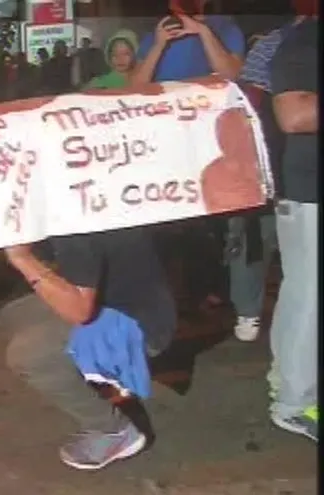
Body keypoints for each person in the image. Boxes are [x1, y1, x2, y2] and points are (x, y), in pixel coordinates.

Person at [2, 226, 176, 469]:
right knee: (15, 315)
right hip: (121, 304)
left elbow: (79, 312)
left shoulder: (76, 224)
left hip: (138, 327)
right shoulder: (73, 213)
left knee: (29, 356)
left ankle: (114, 432)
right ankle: (98, 377)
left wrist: (22, 258)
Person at [129, 0, 245, 312]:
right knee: (167, 222)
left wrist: (203, 32)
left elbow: (232, 74)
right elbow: (135, 88)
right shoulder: (157, 34)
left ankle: (209, 289)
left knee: (210, 221)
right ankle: (167, 296)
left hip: (210, 145)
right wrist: (159, 45)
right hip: (166, 144)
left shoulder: (226, 29)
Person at [226, 16, 306, 342]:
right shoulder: (273, 44)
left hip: (299, 169)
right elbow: (248, 103)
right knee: (254, 239)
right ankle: (248, 310)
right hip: (268, 165)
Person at [267, 11, 318, 441]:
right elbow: (295, 115)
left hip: (306, 192)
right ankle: (295, 404)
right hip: (310, 191)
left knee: (301, 293)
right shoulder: (305, 42)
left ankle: (286, 383)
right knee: (310, 298)